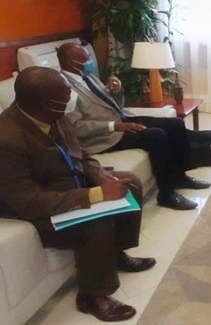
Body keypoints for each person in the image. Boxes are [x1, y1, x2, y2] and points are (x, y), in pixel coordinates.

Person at [0, 67, 155, 322]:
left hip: (69, 184)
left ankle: (116, 255)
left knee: (130, 183)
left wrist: (98, 174)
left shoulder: (54, 116)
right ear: (46, 104)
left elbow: (79, 153)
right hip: (39, 209)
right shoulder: (7, 140)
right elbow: (29, 202)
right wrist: (96, 195)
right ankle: (92, 296)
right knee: (96, 220)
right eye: (66, 94)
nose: (71, 96)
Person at [56, 42, 210, 211]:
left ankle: (180, 177)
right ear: (71, 62)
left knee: (175, 124)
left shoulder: (87, 77)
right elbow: (76, 127)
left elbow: (112, 104)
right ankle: (166, 195)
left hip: (121, 119)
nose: (89, 61)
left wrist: (117, 89)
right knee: (156, 136)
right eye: (85, 59)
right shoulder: (64, 88)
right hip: (104, 136)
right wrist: (114, 126)